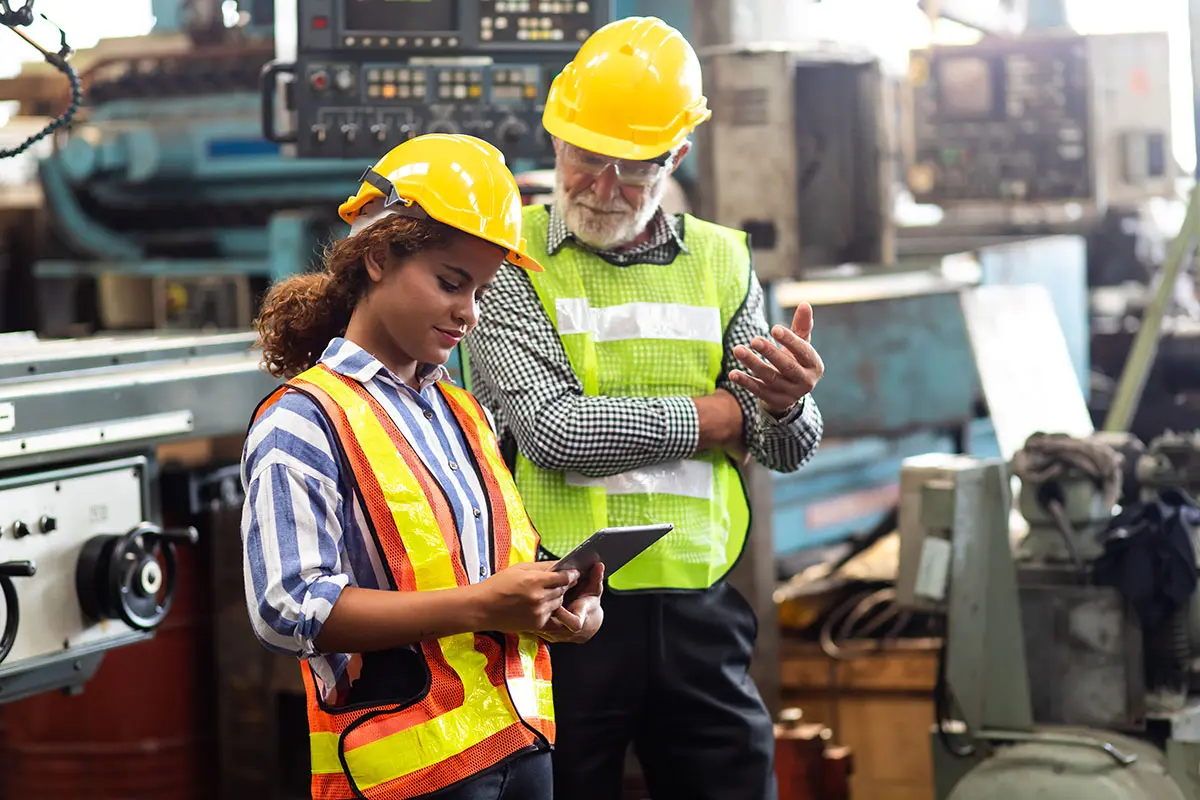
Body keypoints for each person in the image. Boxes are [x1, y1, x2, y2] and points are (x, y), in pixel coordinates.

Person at [464, 17, 826, 800]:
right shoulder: (506, 258)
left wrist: (790, 406)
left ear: (676, 158)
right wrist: (726, 416)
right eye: (586, 158)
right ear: (555, 136)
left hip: (702, 610)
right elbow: (558, 432)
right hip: (557, 610)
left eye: (632, 170)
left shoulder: (725, 263)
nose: (601, 187)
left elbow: (787, 446)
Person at [239, 133, 604, 800]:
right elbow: (286, 608)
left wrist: (560, 609)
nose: (469, 312)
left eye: (481, 290)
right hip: (401, 777)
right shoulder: (305, 420)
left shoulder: (465, 413)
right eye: (449, 282)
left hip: (519, 747)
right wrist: (482, 604)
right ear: (377, 257)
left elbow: (487, 570)